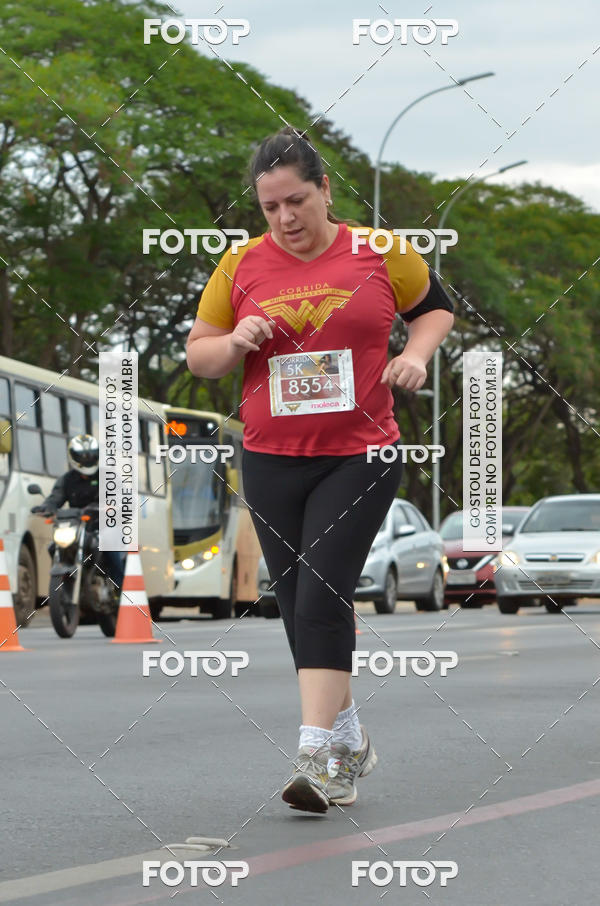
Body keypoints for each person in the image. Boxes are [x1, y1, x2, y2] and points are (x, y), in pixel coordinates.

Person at [186, 126, 454, 814]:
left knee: (323, 593)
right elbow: (200, 357)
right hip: (271, 459)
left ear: (326, 189)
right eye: (270, 206)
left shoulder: (381, 251)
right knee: (297, 612)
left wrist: (416, 355)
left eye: (297, 201)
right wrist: (233, 340)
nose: (285, 219)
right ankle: (351, 740)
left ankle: (316, 756)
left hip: (361, 452)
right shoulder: (240, 266)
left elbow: (435, 310)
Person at [31, 434, 125, 592]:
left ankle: (120, 591)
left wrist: (115, 506)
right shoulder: (67, 480)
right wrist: (46, 508)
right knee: (53, 546)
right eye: (82, 456)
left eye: (91, 455)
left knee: (110, 548)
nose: (87, 459)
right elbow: (55, 498)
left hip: (103, 525)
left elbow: (123, 496)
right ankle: (66, 585)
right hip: (78, 527)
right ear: (73, 457)